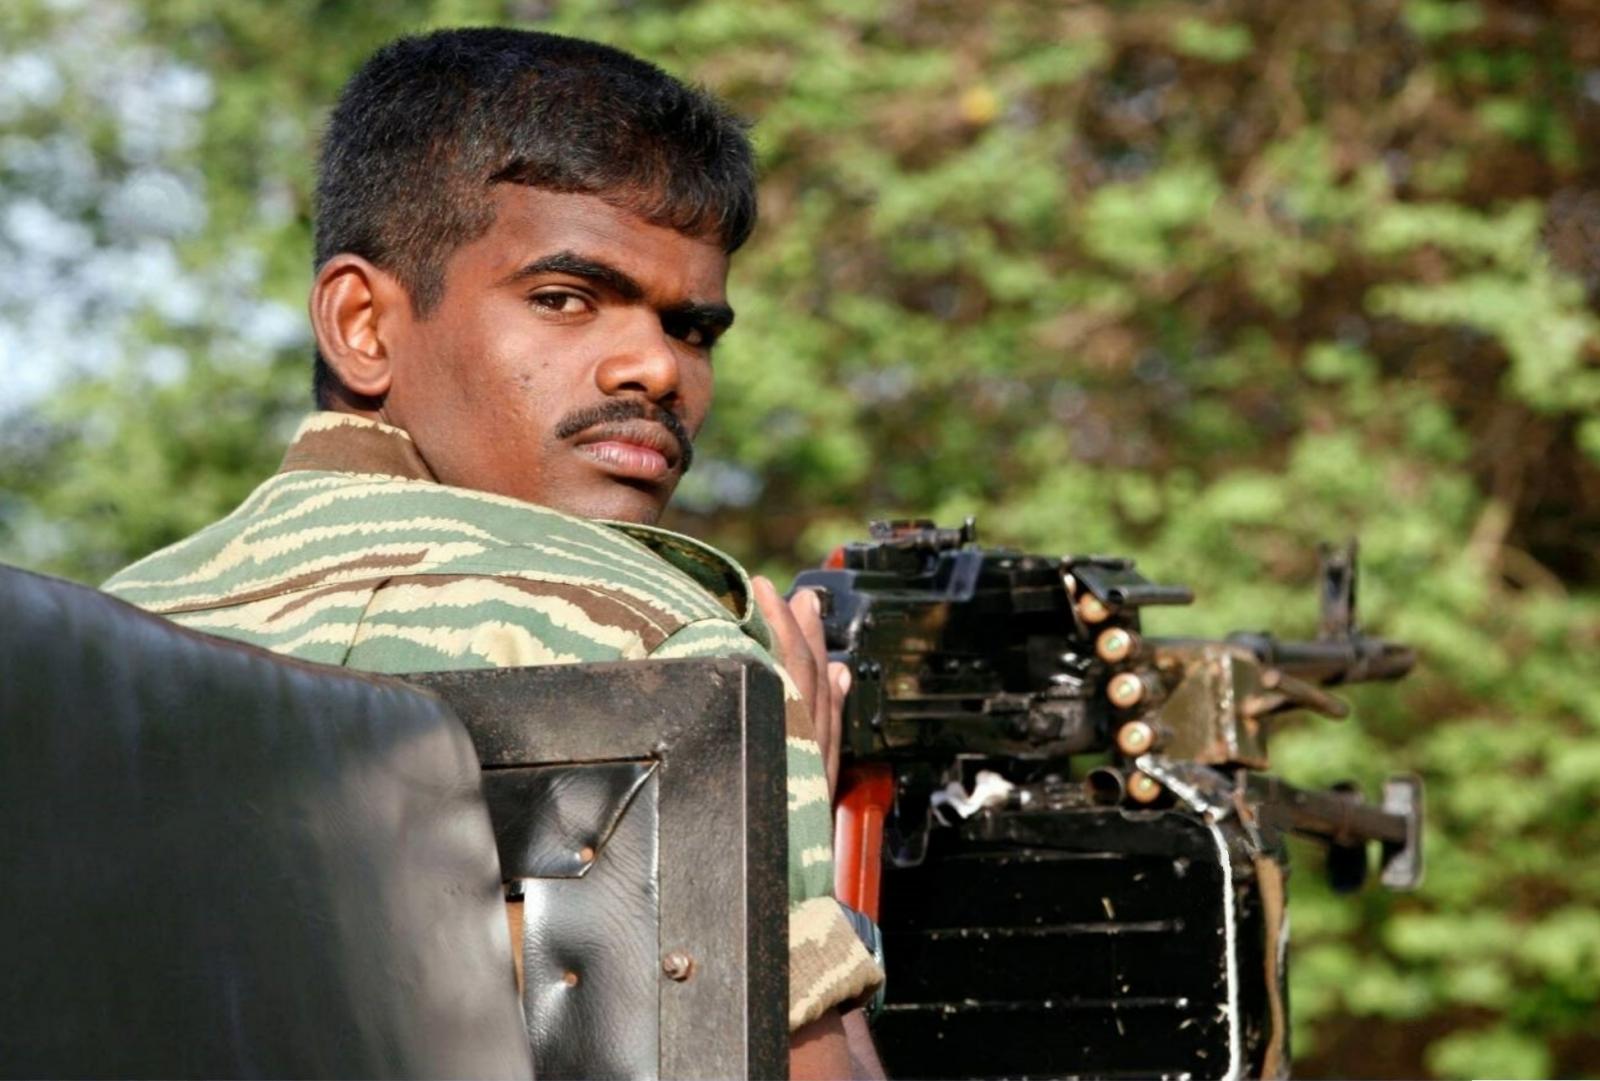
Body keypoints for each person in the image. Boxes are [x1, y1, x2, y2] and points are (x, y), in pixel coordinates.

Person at [102, 27, 884, 1079]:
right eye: (565, 298)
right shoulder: (669, 645)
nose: (655, 365)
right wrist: (789, 806)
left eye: (694, 328)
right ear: (362, 323)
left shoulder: (104, 636)